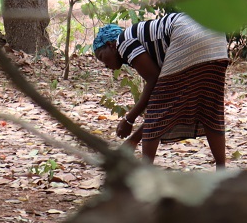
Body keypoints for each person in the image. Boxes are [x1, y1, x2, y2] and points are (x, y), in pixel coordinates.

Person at [93, 12, 229, 170]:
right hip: (215, 36)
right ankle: (222, 171)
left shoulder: (122, 41)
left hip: (187, 34)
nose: (105, 65)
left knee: (158, 108)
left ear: (110, 45)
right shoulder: (137, 42)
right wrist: (133, 138)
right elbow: (163, 99)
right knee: (210, 109)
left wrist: (129, 119)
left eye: (102, 57)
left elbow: (153, 81)